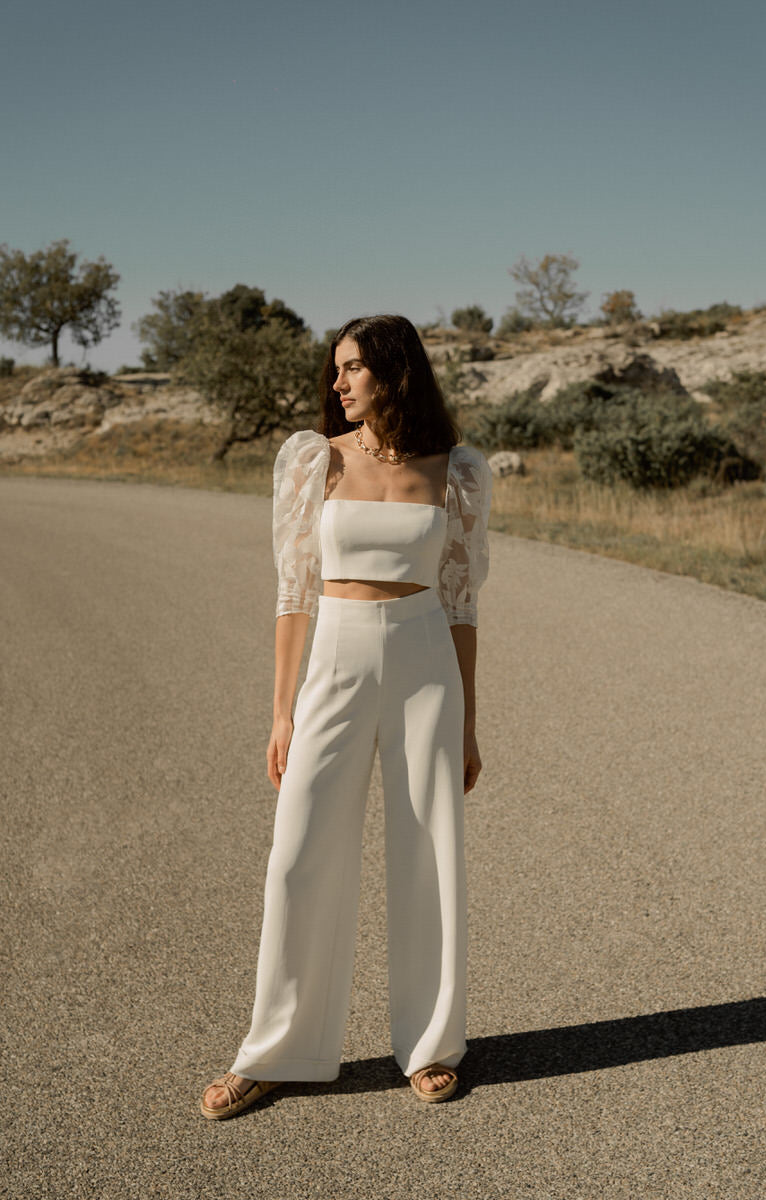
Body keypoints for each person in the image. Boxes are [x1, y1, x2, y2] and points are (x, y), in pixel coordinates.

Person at [200, 314, 492, 1118]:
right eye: (337, 370)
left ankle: (430, 1044)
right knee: (297, 850)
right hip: (335, 652)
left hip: (426, 655)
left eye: (353, 368)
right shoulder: (314, 460)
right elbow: (293, 595)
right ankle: (277, 1050)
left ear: (394, 373)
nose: (337, 384)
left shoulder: (456, 471)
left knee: (431, 850)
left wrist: (467, 721)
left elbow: (463, 606)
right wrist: (281, 712)